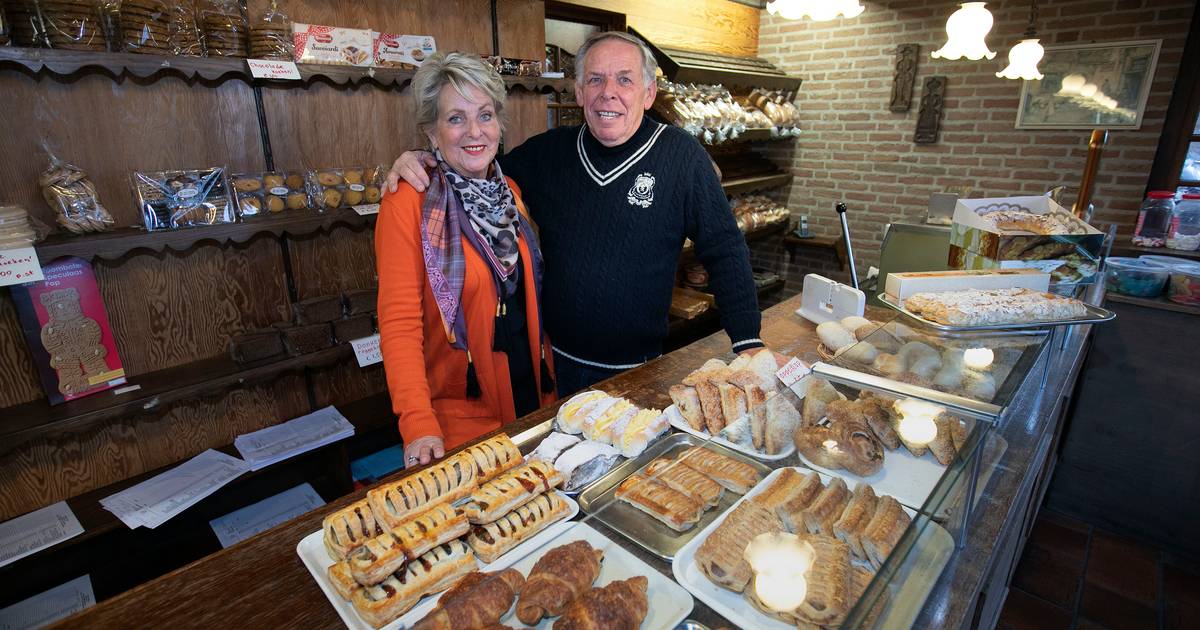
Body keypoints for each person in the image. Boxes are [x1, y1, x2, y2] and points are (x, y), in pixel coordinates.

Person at [388, 31, 762, 396]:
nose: (608, 92)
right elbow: (477, 169)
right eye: (595, 79)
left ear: (649, 93)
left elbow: (724, 248)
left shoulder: (682, 157)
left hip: (640, 370)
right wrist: (423, 159)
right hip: (554, 369)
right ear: (579, 92)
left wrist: (747, 341)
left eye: (625, 79)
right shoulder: (547, 154)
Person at [376, 52, 556, 468]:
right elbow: (399, 324)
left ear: (499, 124)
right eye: (456, 118)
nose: (475, 132)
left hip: (534, 399)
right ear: (432, 132)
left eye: (485, 115)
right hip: (464, 420)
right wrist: (417, 423)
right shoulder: (408, 202)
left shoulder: (511, 193)